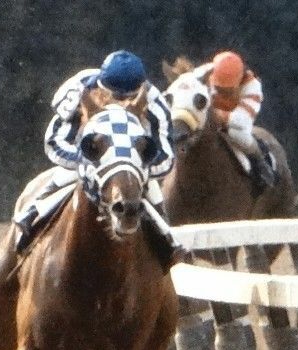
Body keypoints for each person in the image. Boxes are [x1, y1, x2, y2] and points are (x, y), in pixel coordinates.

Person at [11, 49, 179, 257]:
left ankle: (167, 244)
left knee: (152, 193)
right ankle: (28, 221)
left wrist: (134, 167)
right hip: (86, 158)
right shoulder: (79, 91)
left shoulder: (156, 105)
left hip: (135, 166)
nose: (122, 104)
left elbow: (166, 158)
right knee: (61, 178)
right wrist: (89, 163)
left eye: (128, 98)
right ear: (100, 86)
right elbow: (54, 142)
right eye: (115, 96)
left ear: (141, 91)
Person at [188, 50, 276, 193]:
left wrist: (213, 115)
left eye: (227, 90)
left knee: (237, 134)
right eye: (218, 88)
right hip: (206, 118)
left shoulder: (253, 87)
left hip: (234, 124)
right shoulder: (202, 73)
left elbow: (240, 121)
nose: (221, 93)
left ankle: (259, 162)